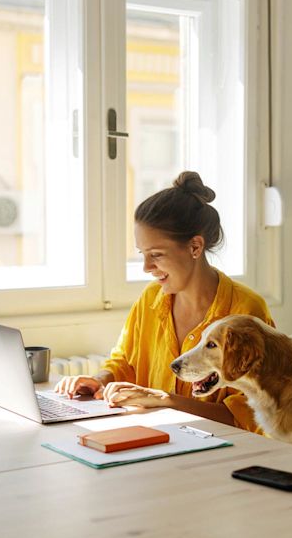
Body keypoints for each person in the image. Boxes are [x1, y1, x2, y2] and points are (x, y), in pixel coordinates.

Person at [54, 171, 273, 431]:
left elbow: (249, 417)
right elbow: (125, 362)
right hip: (155, 440)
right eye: (142, 254)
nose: (146, 267)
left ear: (195, 247)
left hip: (220, 453)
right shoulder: (151, 298)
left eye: (156, 254)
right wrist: (98, 380)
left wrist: (167, 401)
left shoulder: (246, 311)